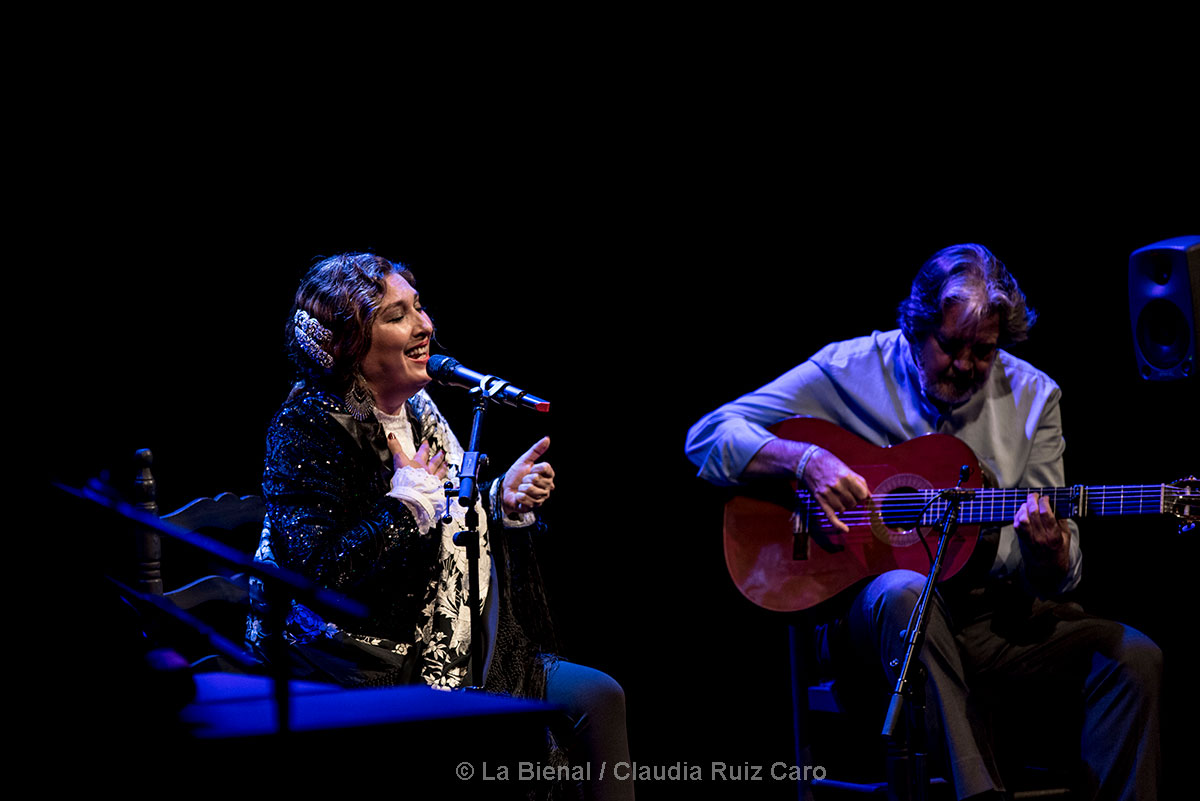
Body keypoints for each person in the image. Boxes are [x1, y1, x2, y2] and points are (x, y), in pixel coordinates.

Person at [685, 244, 1160, 800]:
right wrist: (805, 461)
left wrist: (1049, 551)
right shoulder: (848, 368)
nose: (965, 365)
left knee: (1134, 658)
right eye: (950, 346)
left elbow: (1057, 576)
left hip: (993, 617)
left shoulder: (1035, 398)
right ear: (915, 328)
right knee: (907, 590)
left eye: (984, 351)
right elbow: (707, 436)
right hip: (874, 622)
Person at [246, 252, 632, 799]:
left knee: (599, 695)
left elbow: (447, 513)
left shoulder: (421, 411)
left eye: (419, 308)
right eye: (396, 315)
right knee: (504, 741)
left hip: (451, 643)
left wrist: (498, 499)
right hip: (362, 662)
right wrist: (402, 508)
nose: (424, 325)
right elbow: (320, 571)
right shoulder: (306, 426)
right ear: (349, 343)